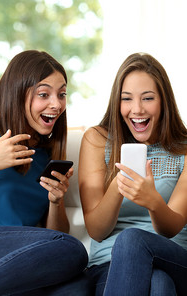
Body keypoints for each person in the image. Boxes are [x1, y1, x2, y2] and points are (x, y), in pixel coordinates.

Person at [79, 53, 187, 295]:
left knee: (132, 240)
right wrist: (120, 184)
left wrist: (153, 201)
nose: (136, 109)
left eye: (148, 98)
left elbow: (173, 228)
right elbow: (97, 230)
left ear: (164, 101)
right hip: (110, 267)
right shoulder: (97, 140)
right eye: (126, 99)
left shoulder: (185, 148)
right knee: (159, 285)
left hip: (174, 259)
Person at [0, 50, 90, 296]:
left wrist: (56, 201)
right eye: (44, 94)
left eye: (62, 94)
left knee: (78, 283)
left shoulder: (45, 153)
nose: (56, 104)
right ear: (17, 93)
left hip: (19, 257)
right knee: (74, 251)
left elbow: (54, 236)